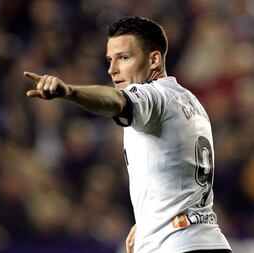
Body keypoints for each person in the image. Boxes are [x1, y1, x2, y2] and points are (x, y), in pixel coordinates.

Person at [24, 16, 232, 253]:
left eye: (123, 58)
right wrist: (148, 222)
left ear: (154, 59)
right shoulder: (191, 102)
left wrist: (69, 92)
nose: (112, 69)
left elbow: (117, 101)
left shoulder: (155, 97)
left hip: (176, 246)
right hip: (207, 241)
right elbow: (179, 178)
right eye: (109, 60)